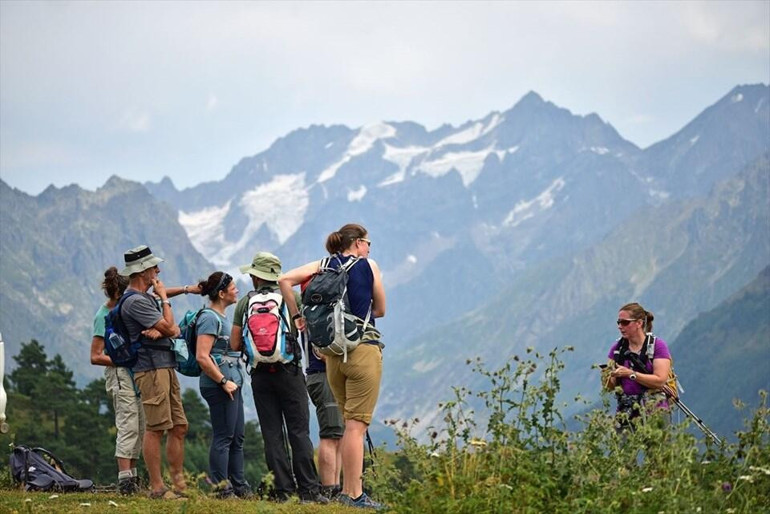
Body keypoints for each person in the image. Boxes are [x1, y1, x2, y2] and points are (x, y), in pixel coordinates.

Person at [279, 223, 386, 510]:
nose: (369, 248)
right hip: (362, 350)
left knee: (347, 425)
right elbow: (380, 310)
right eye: (368, 243)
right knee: (355, 427)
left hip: (332, 357)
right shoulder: (368, 265)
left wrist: (298, 316)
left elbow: (284, 280)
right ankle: (353, 494)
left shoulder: (323, 264)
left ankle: (349, 492)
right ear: (358, 244)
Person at [230, 252, 327, 504]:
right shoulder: (291, 296)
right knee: (298, 431)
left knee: (272, 433)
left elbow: (234, 343)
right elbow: (306, 329)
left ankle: (283, 491)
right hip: (290, 372)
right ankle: (309, 491)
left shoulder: (244, 303)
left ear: (256, 277)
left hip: (260, 376)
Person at [118, 245, 188, 499]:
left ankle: (179, 485)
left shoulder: (145, 298)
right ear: (141, 271)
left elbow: (173, 329)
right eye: (153, 267)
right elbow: (171, 328)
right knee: (156, 427)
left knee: (179, 425)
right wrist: (165, 301)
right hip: (150, 368)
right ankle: (158, 488)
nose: (158, 270)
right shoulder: (136, 301)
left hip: (164, 364)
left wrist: (165, 327)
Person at [194, 271, 251, 499]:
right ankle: (221, 488)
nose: (237, 290)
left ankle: (239, 485)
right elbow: (202, 356)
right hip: (219, 385)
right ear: (221, 293)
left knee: (236, 437)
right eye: (233, 287)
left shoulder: (223, 317)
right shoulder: (209, 318)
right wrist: (223, 381)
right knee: (223, 437)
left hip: (232, 383)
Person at [90, 266, 144, 495]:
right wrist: (122, 359)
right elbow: (95, 356)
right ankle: (125, 481)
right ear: (118, 295)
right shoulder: (103, 316)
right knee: (128, 425)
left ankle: (132, 479)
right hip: (119, 375)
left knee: (140, 426)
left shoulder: (122, 311)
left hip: (132, 374)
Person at [604, 302, 672, 429]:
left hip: (655, 409)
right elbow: (609, 385)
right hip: (626, 410)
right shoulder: (617, 349)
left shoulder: (657, 346)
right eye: (618, 322)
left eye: (625, 322)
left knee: (657, 449)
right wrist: (610, 376)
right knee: (623, 448)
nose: (620, 326)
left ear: (639, 323)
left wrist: (631, 374)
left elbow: (660, 381)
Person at [304, 336, 344, 499]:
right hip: (324, 375)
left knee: (339, 436)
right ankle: (329, 489)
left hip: (324, 376)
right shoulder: (316, 312)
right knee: (331, 434)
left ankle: (336, 489)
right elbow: (321, 351)